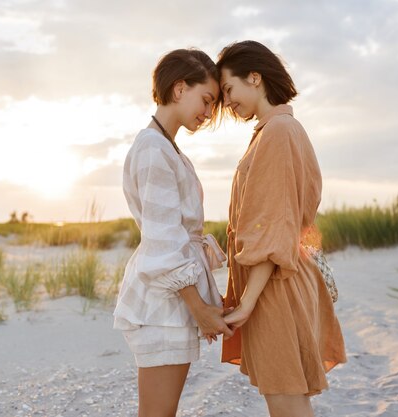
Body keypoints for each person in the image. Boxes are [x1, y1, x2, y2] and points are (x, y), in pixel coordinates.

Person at [217, 40, 347, 417]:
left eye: (229, 90)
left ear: (254, 77)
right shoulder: (278, 130)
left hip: (274, 286)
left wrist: (247, 303)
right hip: (278, 281)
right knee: (287, 398)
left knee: (286, 401)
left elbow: (272, 228)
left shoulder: (277, 132)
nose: (227, 103)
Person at [113, 48, 233, 417]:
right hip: (163, 303)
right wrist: (198, 308)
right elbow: (164, 238)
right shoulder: (152, 149)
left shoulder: (168, 148)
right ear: (180, 88)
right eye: (207, 99)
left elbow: (183, 236)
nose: (208, 112)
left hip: (172, 299)